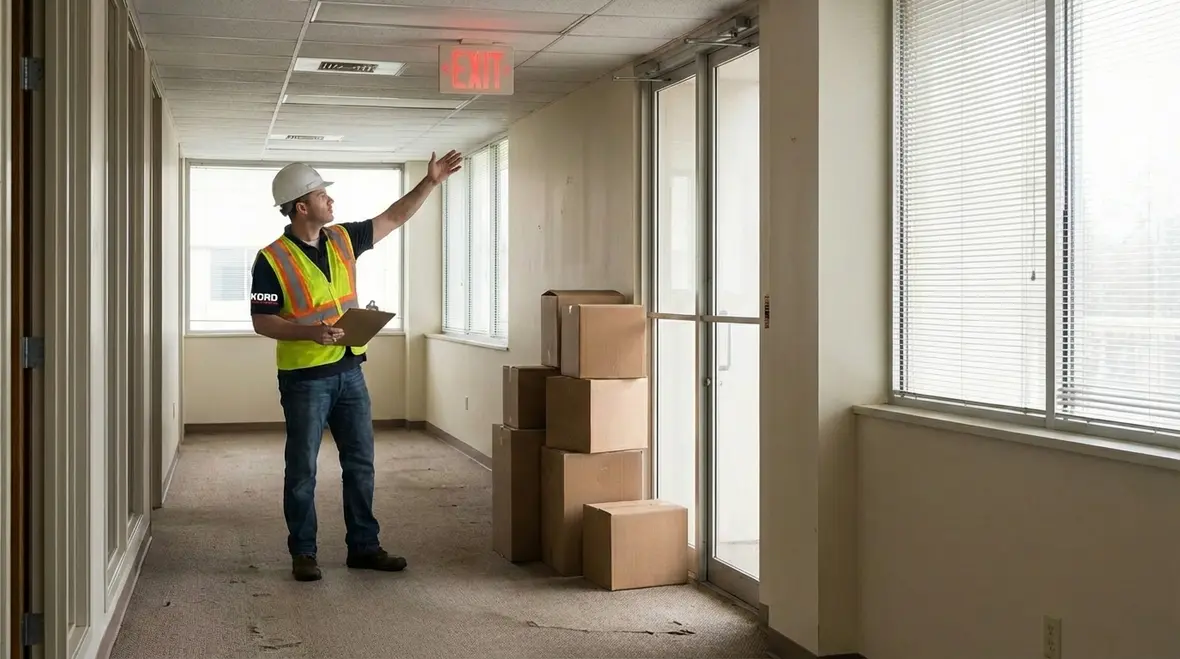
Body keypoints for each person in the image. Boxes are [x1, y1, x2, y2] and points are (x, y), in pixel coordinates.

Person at [249, 152, 463, 582]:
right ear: (300, 206)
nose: (331, 201)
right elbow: (262, 321)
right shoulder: (271, 259)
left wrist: (431, 183)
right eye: (321, 195)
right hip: (305, 379)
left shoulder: (344, 239)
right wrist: (309, 333)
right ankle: (304, 553)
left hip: (350, 372)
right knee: (302, 471)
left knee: (361, 464)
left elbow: (393, 217)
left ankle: (364, 547)